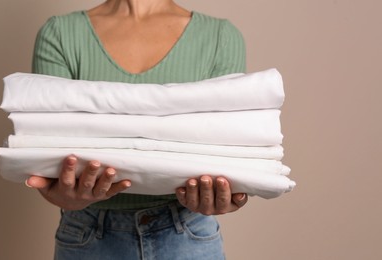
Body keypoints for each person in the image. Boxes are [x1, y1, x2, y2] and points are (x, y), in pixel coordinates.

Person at [25, 0, 248, 259]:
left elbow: (228, 151)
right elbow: (50, 156)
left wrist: (224, 190)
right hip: (87, 238)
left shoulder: (220, 38)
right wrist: (64, 195)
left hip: (187, 238)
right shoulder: (60, 34)